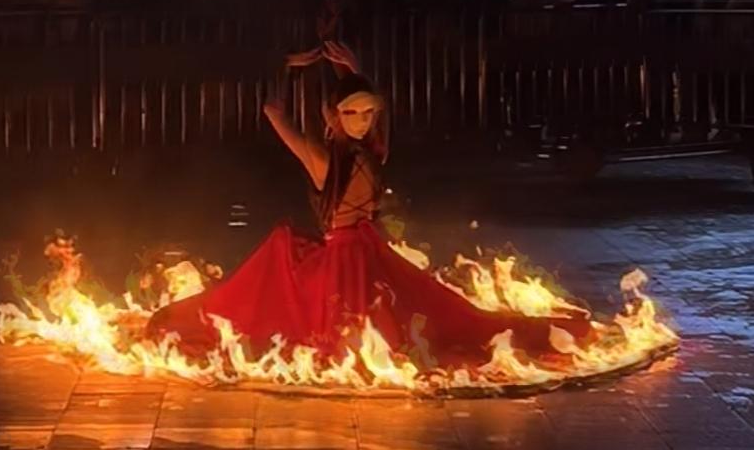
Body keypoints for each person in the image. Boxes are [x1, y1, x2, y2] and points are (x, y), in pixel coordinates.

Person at [146, 41, 595, 372]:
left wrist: (348, 68)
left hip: (368, 254)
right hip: (343, 260)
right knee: (350, 335)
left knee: (426, 326)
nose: (362, 122)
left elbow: (351, 111)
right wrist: (295, 67)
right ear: (333, 116)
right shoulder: (324, 159)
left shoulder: (373, 151)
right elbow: (273, 111)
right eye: (351, 114)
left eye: (368, 114)